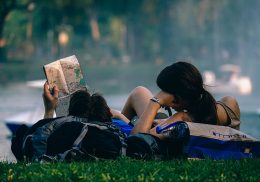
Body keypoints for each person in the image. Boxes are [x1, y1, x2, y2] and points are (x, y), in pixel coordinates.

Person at [120, 61, 240, 137]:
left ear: (177, 99)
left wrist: (155, 103)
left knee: (139, 92)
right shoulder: (227, 104)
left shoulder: (182, 118)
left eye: (165, 95)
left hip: (162, 131)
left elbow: (138, 138)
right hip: (170, 122)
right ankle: (115, 128)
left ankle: (114, 131)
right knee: (139, 92)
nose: (168, 105)